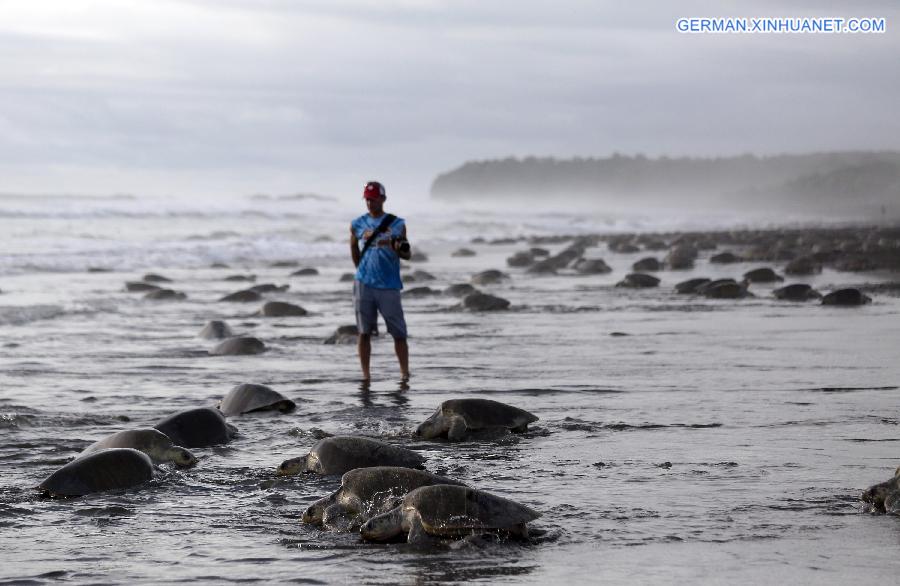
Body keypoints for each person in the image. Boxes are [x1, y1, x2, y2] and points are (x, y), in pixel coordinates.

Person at [350, 180, 411, 381]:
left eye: (373, 199)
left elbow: (406, 253)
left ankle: (404, 373)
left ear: (383, 199)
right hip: (364, 284)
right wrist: (360, 268)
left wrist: (396, 247)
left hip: (389, 285)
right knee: (364, 331)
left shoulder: (397, 223)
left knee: (398, 333)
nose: (370, 203)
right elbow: (353, 247)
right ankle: (366, 375)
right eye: (367, 199)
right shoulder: (357, 223)